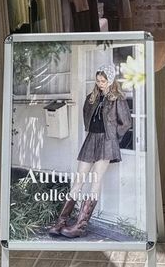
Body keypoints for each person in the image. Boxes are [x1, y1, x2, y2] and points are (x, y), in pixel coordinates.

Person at [49, 63, 130, 238]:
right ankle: (61, 222)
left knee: (95, 181)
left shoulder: (118, 99)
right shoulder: (91, 97)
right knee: (79, 180)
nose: (100, 84)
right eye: (98, 80)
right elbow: (86, 115)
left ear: (110, 80)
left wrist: (112, 137)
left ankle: (80, 226)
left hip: (106, 142)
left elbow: (126, 123)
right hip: (91, 139)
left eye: (103, 81)